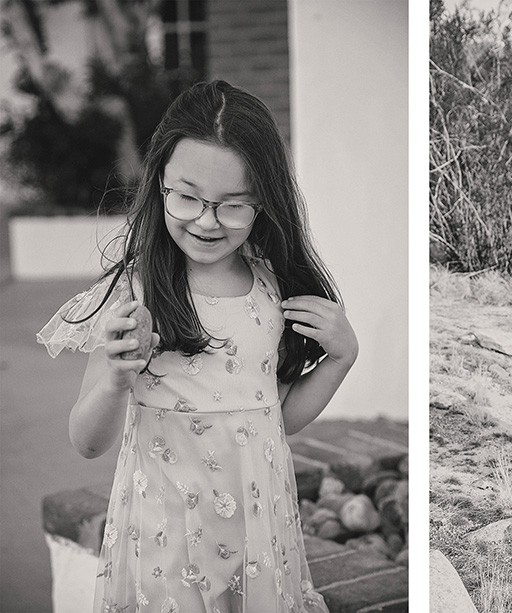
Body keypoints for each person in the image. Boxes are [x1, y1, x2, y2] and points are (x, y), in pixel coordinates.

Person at [37, 80, 358, 612]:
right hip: (164, 545)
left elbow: (277, 416)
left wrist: (341, 358)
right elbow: (87, 442)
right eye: (186, 197)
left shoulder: (272, 290)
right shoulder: (134, 295)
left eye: (233, 205)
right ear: (159, 182)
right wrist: (117, 381)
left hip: (258, 539)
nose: (207, 221)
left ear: (264, 203)